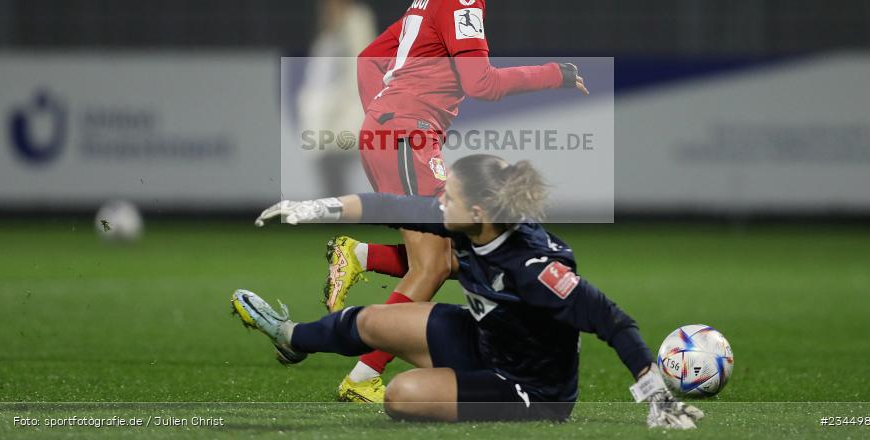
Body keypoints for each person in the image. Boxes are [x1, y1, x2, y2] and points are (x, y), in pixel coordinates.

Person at [318, 0, 589, 403]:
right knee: (436, 263)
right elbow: (481, 83)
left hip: (398, 135)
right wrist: (556, 73)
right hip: (406, 138)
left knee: (459, 252)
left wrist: (383, 114)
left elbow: (368, 61)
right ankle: (361, 377)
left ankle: (362, 256)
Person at [239, 155, 704, 428]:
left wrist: (655, 395)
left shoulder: (536, 268)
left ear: (478, 210)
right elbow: (386, 203)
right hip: (483, 341)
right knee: (369, 320)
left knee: (401, 396)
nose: (440, 203)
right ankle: (290, 336)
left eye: (450, 196)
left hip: (530, 389)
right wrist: (312, 207)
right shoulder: (466, 222)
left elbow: (612, 320)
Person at [297, 0, 376, 197]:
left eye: (333, 7)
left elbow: (360, 46)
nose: (328, 13)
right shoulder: (327, 40)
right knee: (328, 163)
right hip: (329, 114)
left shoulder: (353, 28)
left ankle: (343, 208)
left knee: (335, 160)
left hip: (347, 110)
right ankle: (337, 207)